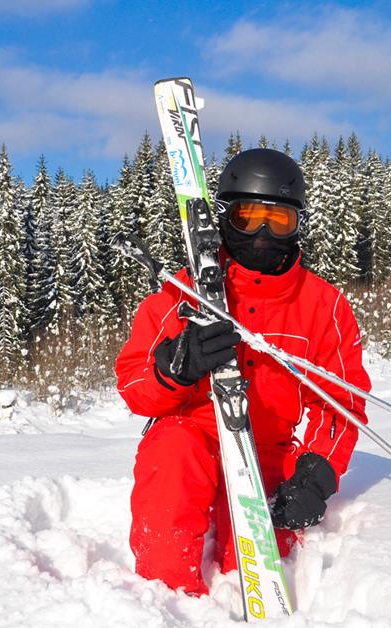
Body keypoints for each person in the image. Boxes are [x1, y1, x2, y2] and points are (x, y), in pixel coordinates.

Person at [115, 148, 371, 596]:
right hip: (191, 439)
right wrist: (175, 369)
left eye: (279, 221)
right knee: (171, 453)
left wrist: (317, 473)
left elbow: (340, 404)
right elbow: (134, 384)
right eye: (248, 218)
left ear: (298, 225)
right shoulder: (182, 295)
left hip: (266, 449)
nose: (263, 234)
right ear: (225, 219)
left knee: (249, 559)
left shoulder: (323, 306)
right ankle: (166, 600)